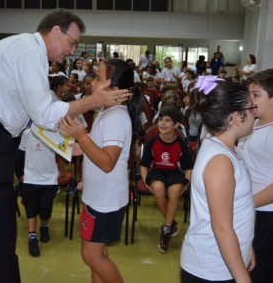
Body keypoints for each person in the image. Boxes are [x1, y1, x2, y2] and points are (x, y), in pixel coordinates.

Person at [0, 8, 129, 283]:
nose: (72, 51)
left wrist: (68, 147)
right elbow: (44, 115)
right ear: (56, 31)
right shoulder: (28, 51)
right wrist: (95, 102)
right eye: (72, 43)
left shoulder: (28, 53)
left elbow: (38, 120)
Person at [58, 59, 143, 283]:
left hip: (105, 201)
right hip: (98, 197)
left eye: (98, 78)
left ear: (114, 90)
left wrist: (82, 136)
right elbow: (97, 150)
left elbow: (107, 162)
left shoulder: (115, 117)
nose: (92, 82)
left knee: (91, 255)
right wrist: (78, 146)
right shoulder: (107, 112)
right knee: (98, 254)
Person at [180, 76, 256, 282]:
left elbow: (236, 209)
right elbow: (222, 228)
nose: (255, 113)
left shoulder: (224, 147)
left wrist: (245, 245)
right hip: (212, 268)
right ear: (234, 118)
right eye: (251, 108)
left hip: (223, 261)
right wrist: (243, 278)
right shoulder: (221, 161)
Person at [140, 105, 193, 253]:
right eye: (161, 120)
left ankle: (166, 229)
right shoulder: (153, 142)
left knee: (175, 191)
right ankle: (171, 224)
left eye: (168, 121)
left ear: (176, 125)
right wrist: (145, 180)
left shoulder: (181, 144)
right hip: (156, 171)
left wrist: (186, 183)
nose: (162, 124)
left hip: (174, 172)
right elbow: (143, 165)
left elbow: (189, 167)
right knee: (158, 189)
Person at [238, 69, 273, 283]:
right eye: (249, 94)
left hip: (266, 214)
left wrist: (246, 203)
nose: (250, 100)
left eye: (257, 95)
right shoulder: (254, 124)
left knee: (261, 272)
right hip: (251, 210)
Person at [18, 127, 59, 257]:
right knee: (31, 208)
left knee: (46, 208)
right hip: (31, 178)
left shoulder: (56, 133)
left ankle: (44, 226)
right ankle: (32, 236)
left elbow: (65, 151)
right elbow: (20, 154)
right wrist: (20, 174)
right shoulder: (27, 133)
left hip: (49, 179)